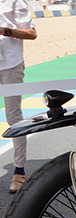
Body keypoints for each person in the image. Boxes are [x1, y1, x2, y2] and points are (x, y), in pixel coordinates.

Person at [0, 0, 37, 193]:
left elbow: (32, 34)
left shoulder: (15, 1)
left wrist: (5, 31)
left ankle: (19, 170)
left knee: (13, 118)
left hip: (10, 64)